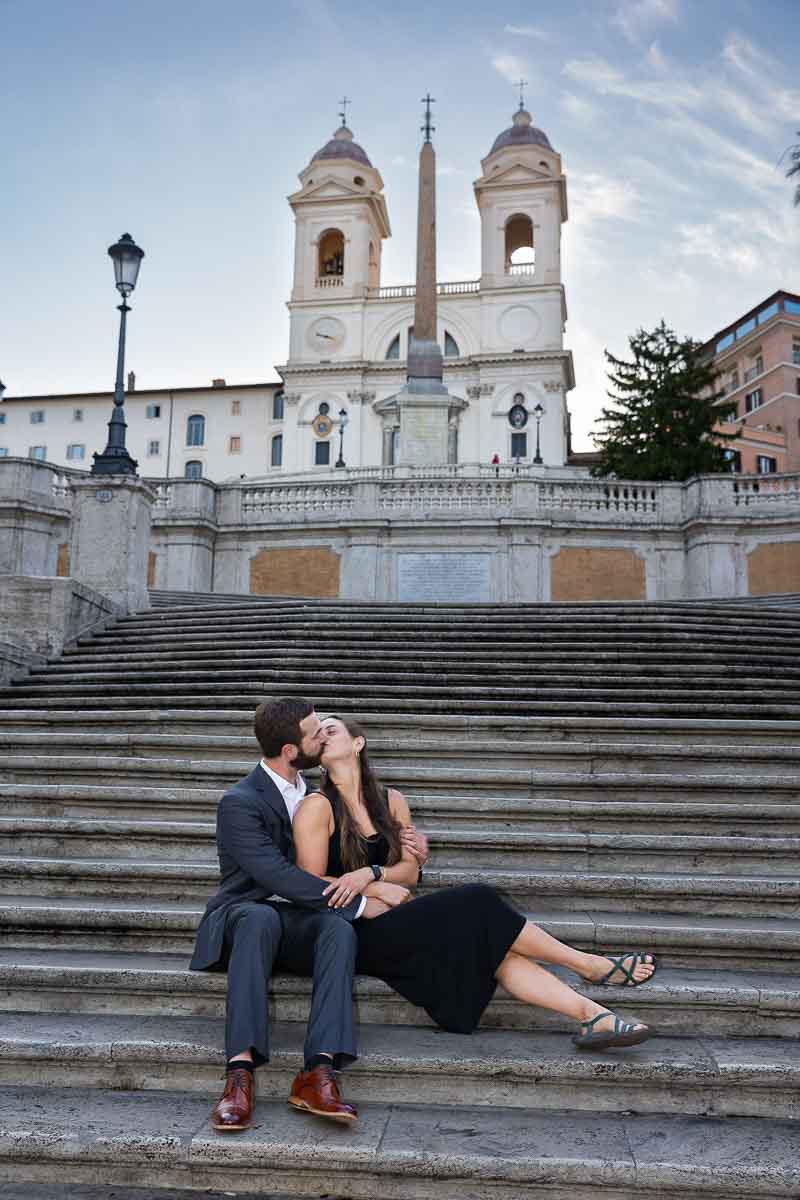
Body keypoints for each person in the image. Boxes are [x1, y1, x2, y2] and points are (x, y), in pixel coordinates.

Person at [293, 716, 657, 1052]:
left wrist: (374, 874)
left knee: (496, 946)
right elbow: (309, 882)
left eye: (332, 729)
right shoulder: (317, 806)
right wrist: (370, 888)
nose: (323, 735)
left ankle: (595, 1016)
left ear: (358, 743)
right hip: (352, 931)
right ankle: (588, 966)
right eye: (318, 733)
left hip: (397, 918)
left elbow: (409, 872)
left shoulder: (392, 801)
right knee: (478, 900)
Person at [189, 697, 428, 1133]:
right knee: (261, 917)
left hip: (303, 918)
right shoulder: (239, 802)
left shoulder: (319, 794)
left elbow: (359, 843)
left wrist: (406, 848)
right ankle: (238, 1074)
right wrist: (361, 901)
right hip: (246, 915)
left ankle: (318, 1072)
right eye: (315, 732)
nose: (323, 735)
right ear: (290, 752)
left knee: (337, 929)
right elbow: (277, 875)